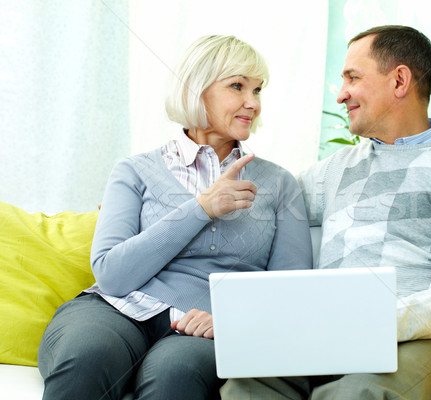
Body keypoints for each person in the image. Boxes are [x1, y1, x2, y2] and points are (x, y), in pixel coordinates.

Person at [220, 25, 431, 400]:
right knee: (247, 385)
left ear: (399, 80)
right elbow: (262, 212)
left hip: (416, 340)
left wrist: (372, 319)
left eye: (353, 78)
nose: (341, 95)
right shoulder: (335, 168)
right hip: (327, 332)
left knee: (359, 393)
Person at [37, 35, 312, 400]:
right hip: (117, 310)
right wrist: (201, 208)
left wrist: (232, 322)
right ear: (197, 91)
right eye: (237, 86)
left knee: (175, 375)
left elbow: (290, 292)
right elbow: (112, 273)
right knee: (90, 356)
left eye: (258, 90)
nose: (253, 103)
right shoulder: (135, 170)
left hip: (204, 329)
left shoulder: (279, 184)